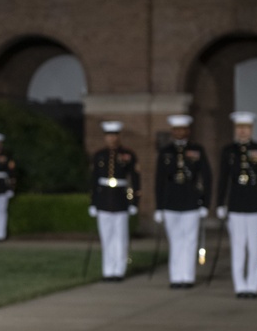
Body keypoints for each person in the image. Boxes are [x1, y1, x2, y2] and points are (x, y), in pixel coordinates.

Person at [215, 111, 257, 299]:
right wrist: (220, 203)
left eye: (246, 128)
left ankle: (253, 285)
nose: (242, 132)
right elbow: (223, 178)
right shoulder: (228, 151)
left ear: (251, 129)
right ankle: (240, 286)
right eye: (239, 128)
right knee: (238, 247)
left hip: (255, 203)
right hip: (235, 204)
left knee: (255, 247)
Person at [153, 114, 211, 289]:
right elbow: (159, 180)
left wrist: (205, 203)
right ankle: (176, 276)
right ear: (172, 131)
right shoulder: (166, 152)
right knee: (175, 240)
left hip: (191, 200)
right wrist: (159, 206)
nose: (180, 132)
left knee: (190, 240)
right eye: (176, 129)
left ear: (188, 131)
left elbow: (207, 177)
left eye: (183, 129)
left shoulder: (197, 150)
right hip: (170, 202)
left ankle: (188, 276)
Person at [89, 121, 141, 282]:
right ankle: (108, 270)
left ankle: (119, 270)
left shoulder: (128, 154)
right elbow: (93, 180)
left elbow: (135, 179)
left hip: (121, 200)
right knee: (106, 237)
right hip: (104, 200)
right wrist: (93, 202)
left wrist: (134, 202)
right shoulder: (99, 155)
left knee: (120, 238)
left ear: (118, 137)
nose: (111, 138)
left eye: (114, 135)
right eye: (108, 135)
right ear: (105, 137)